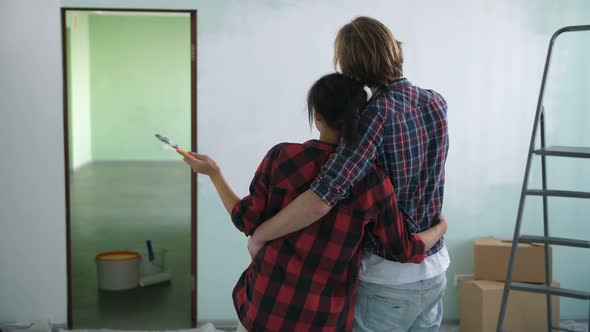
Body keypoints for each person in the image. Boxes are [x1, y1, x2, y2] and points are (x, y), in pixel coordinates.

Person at [182, 73, 447, 331]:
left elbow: (246, 219)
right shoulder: (374, 182)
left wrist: (214, 173)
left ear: (317, 116)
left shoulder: (282, 157)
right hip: (323, 318)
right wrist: (440, 227)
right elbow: (403, 249)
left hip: (266, 304)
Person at [249, 17, 450, 332]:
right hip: (436, 268)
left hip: (388, 279)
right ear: (393, 48)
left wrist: (260, 235)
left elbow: (322, 198)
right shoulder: (436, 102)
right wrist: (440, 229)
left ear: (351, 67)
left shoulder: (376, 117)